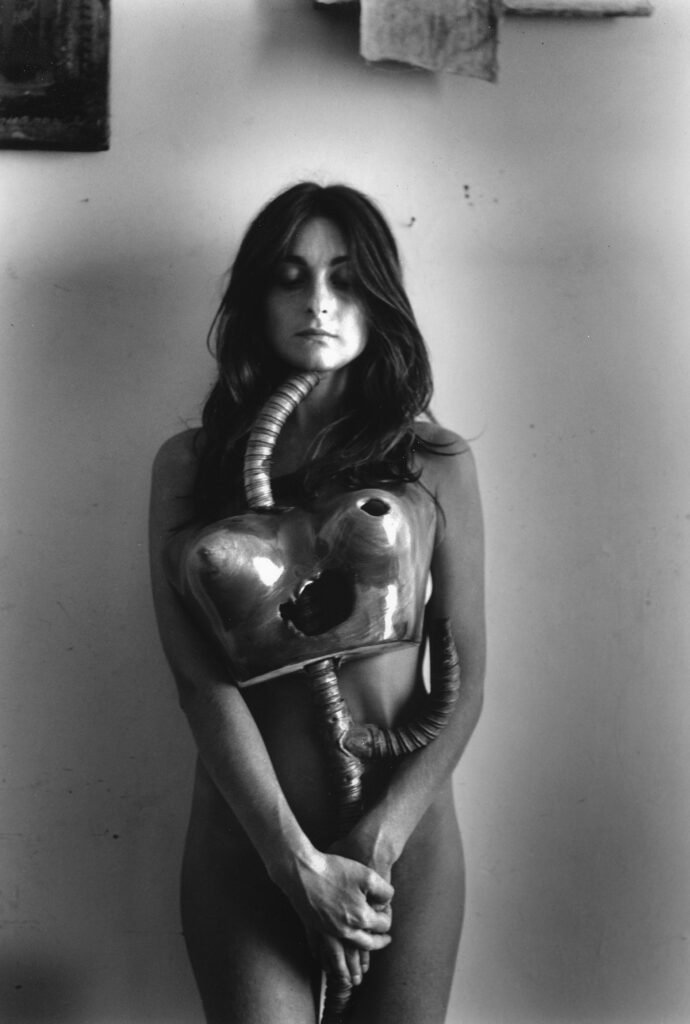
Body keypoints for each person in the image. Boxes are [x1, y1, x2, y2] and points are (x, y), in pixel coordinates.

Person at [148, 182, 485, 1024]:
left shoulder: (434, 461)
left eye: (345, 278)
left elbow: (467, 677)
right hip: (250, 846)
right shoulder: (187, 466)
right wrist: (294, 863)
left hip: (401, 845)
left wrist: (377, 843)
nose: (318, 302)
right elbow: (199, 683)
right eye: (290, 278)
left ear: (380, 298)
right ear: (257, 298)